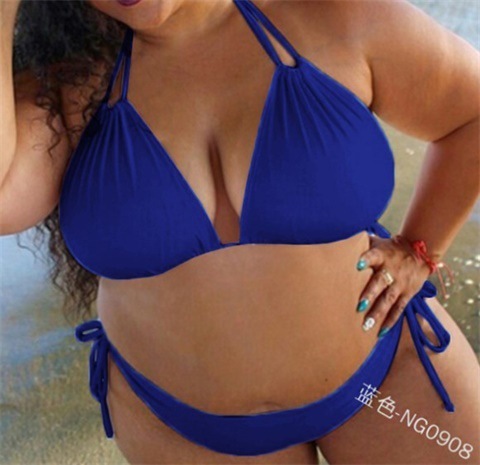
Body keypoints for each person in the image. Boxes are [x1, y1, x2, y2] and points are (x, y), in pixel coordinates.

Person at [1, 0, 479, 463]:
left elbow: (472, 114)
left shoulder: (333, 19)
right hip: (186, 428)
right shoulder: (68, 90)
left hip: (385, 383)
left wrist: (419, 250)